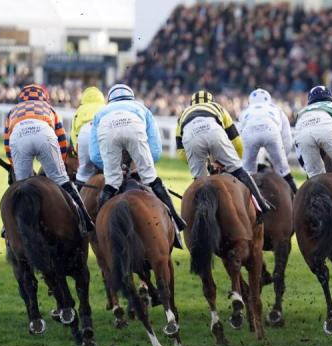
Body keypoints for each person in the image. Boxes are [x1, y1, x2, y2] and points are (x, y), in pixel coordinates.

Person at [89, 83, 186, 247]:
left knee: (111, 184)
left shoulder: (100, 114)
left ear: (110, 101)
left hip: (108, 133)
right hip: (134, 130)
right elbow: (155, 151)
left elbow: (96, 156)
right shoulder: (142, 109)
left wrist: (117, 169)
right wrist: (140, 167)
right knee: (152, 180)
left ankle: (100, 228)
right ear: (131, 98)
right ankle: (176, 221)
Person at [3, 84, 94, 233]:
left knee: (21, 187)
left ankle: (9, 228)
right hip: (44, 133)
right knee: (62, 180)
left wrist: (15, 164)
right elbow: (62, 140)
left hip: (18, 137)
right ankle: (85, 219)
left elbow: (7, 143)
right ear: (44, 98)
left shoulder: (12, 111)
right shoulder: (49, 109)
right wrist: (61, 162)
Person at [175, 90, 273, 213]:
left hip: (191, 136)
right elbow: (236, 140)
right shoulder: (217, 107)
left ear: (191, 104)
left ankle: (196, 212)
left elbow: (180, 152)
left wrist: (203, 165)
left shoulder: (183, 114)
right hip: (214, 132)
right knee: (239, 170)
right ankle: (261, 203)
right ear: (211, 101)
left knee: (200, 183)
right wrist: (234, 162)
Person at [239, 88, 297, 194]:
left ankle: (247, 201)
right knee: (283, 170)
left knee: (248, 174)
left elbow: (239, 139)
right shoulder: (277, 109)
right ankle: (296, 196)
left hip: (249, 133)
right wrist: (279, 159)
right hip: (271, 131)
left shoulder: (244, 112)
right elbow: (287, 139)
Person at [72, 87, 106, 188]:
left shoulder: (79, 110)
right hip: (102, 133)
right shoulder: (105, 108)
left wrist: (76, 152)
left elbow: (74, 135)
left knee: (83, 173)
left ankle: (77, 198)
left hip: (84, 135)